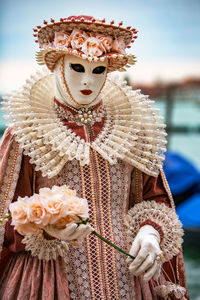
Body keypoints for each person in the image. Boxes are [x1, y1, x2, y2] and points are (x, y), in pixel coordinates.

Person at [0, 15, 188, 299]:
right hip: (49, 279)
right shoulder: (27, 132)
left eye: (99, 70)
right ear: (56, 66)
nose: (88, 80)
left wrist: (151, 233)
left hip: (127, 274)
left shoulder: (131, 131)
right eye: (77, 68)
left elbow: (155, 198)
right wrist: (47, 230)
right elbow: (3, 217)